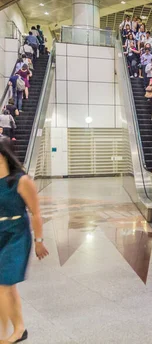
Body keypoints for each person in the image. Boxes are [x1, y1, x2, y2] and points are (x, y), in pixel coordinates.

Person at [0, 137, 49, 343]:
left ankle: (11, 332)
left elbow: (36, 213)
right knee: (7, 285)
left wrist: (39, 241)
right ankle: (19, 328)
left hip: (17, 236)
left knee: (3, 283)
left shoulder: (21, 180)